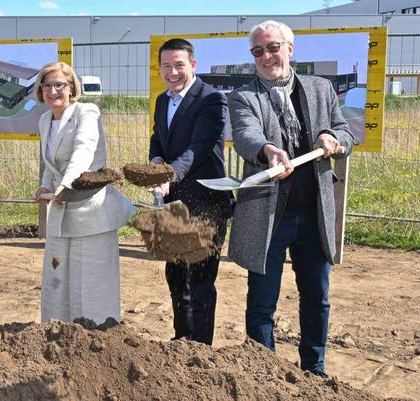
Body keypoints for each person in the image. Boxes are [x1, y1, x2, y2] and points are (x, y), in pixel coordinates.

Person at [227, 20, 354, 377]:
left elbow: (345, 132)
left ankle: (314, 369)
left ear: (290, 48)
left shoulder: (320, 89)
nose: (266, 56)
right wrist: (268, 150)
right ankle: (264, 372)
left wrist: (330, 136)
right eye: (258, 51)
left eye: (273, 47)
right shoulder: (244, 96)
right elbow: (246, 135)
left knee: (317, 297)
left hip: (314, 215)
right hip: (268, 216)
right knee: (262, 300)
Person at [32, 61, 135, 325]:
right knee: (57, 280)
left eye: (59, 84)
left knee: (90, 283)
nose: (53, 91)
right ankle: (57, 333)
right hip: (60, 213)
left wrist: (64, 186)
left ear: (71, 87)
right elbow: (51, 165)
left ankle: (97, 337)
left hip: (92, 212)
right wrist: (46, 187)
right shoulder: (44, 120)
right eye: (47, 85)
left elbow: (83, 151)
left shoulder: (87, 112)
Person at [148, 38, 233, 345]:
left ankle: (200, 349)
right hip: (174, 202)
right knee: (175, 275)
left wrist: (169, 174)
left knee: (200, 280)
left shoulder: (211, 99)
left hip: (206, 201)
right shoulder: (162, 100)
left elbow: (199, 147)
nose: (172, 72)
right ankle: (181, 341)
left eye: (179, 65)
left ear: (193, 65)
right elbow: (158, 138)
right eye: (166, 66)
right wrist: (156, 161)